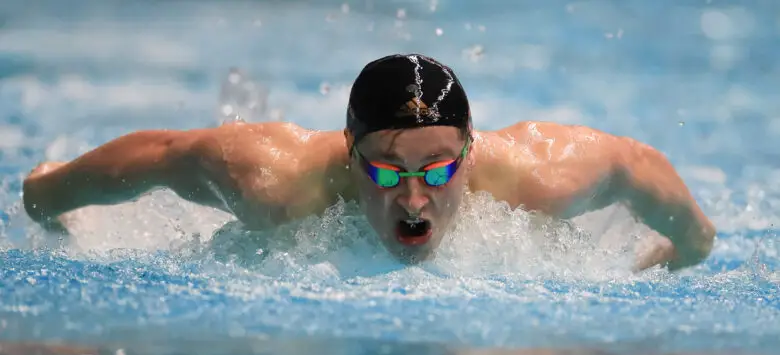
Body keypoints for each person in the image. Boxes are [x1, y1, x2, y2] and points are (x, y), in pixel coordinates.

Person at [22, 53, 715, 271]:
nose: (413, 200)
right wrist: (47, 196)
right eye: (386, 170)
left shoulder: (543, 176)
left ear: (470, 154)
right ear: (349, 156)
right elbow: (163, 155)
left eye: (438, 169)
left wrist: (678, 253)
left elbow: (634, 164)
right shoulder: (276, 180)